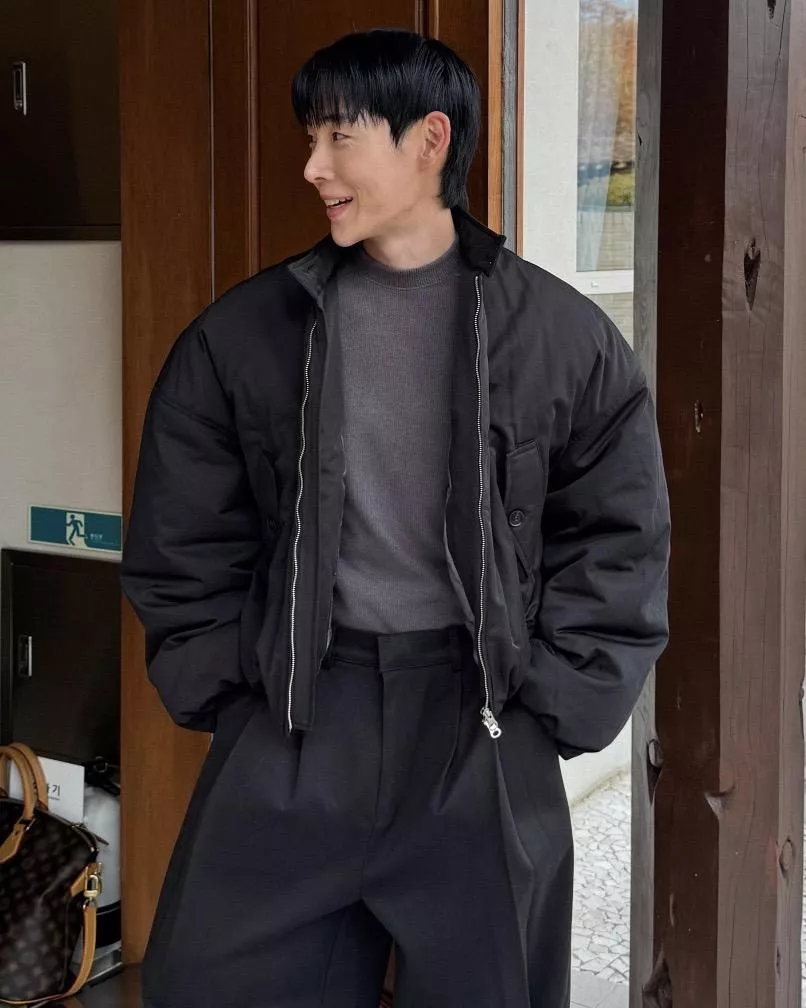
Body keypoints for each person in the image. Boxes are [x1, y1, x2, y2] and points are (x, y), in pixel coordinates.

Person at [121, 28, 669, 1008]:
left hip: (482, 728)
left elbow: (618, 537)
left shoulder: (561, 338)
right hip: (295, 719)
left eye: (338, 137)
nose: (312, 167)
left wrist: (552, 706)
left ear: (429, 140)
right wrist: (230, 685)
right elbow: (182, 537)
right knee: (208, 983)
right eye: (310, 139)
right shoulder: (240, 336)